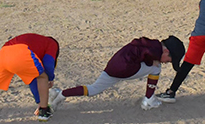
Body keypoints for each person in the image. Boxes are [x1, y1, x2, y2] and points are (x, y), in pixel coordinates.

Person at [49, 36, 185, 111]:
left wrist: (150, 60)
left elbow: (138, 45)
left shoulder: (151, 44)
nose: (168, 62)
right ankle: (149, 100)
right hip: (126, 69)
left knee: (93, 89)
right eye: (170, 60)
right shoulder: (154, 50)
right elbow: (148, 54)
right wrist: (151, 62)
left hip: (113, 67)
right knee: (156, 68)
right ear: (166, 51)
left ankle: (61, 94)